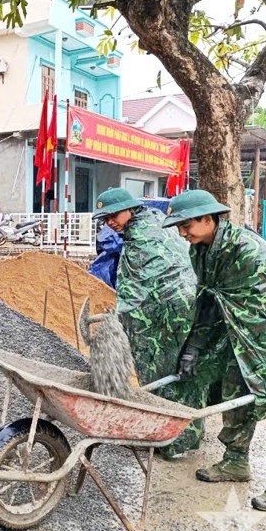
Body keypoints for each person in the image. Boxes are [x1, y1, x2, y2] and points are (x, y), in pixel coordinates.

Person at [163, 189, 266, 511]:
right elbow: (210, 299)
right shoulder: (202, 251)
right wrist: (194, 347)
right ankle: (235, 460)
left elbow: (265, 311)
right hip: (244, 334)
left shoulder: (247, 250)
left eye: (186, 225)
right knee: (234, 389)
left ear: (208, 219)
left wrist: (260, 366)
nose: (182, 233)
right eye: (178, 226)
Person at [92, 188, 201, 456]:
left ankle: (173, 441)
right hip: (188, 306)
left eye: (114, 215)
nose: (110, 222)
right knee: (182, 372)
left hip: (167, 313)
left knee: (162, 373)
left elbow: (135, 291)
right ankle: (186, 434)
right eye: (105, 219)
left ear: (129, 208)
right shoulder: (155, 218)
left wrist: (117, 321)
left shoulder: (139, 238)